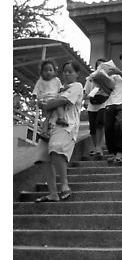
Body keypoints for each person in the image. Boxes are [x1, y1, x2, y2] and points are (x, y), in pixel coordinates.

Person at [34, 60, 83, 202]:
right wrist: (46, 103)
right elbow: (43, 102)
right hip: (50, 125)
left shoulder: (77, 86)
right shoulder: (58, 87)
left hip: (66, 125)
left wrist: (48, 103)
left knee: (56, 149)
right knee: (43, 157)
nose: (67, 74)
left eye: (70, 72)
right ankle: (53, 193)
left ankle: (65, 186)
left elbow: (58, 102)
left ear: (77, 74)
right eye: (65, 71)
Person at [32, 59, 68, 142]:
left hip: (53, 98)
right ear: (41, 72)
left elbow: (61, 88)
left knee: (48, 117)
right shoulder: (40, 81)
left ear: (54, 71)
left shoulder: (56, 80)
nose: (48, 72)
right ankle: (61, 118)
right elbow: (36, 90)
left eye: (50, 70)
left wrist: (66, 88)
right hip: (45, 100)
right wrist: (34, 98)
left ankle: (44, 132)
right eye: (45, 70)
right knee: (59, 104)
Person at [83, 58, 111, 158]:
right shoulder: (90, 78)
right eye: (98, 65)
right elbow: (86, 92)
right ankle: (95, 146)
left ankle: (99, 146)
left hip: (104, 103)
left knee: (100, 122)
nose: (100, 68)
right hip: (92, 104)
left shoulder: (109, 78)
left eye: (102, 66)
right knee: (92, 126)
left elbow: (111, 90)